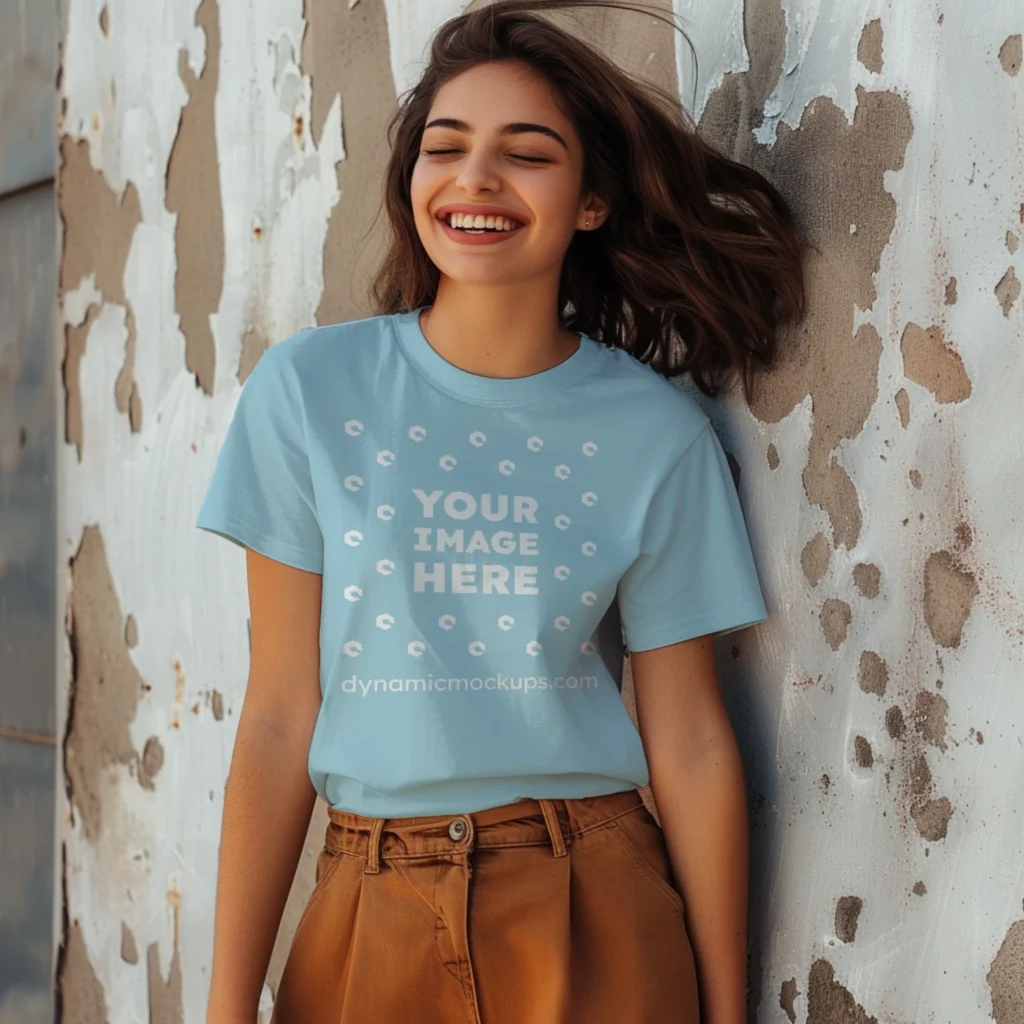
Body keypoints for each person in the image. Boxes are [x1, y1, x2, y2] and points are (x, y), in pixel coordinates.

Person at [196, 2, 806, 1021]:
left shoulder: (657, 435)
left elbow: (691, 736)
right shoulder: (309, 392)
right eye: (447, 147)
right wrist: (223, 1005)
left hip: (594, 895)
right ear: (413, 182)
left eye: (525, 154)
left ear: (592, 201)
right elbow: (275, 714)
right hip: (367, 902)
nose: (476, 177)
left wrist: (725, 1006)